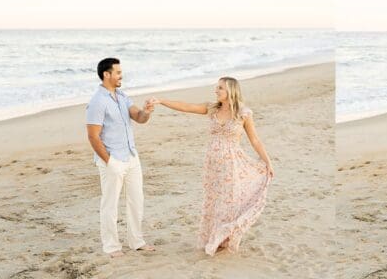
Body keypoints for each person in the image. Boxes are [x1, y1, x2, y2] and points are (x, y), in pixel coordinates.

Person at [148, 76, 273, 255]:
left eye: (220, 88)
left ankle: (224, 237)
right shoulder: (212, 109)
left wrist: (268, 161)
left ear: (230, 90)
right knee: (214, 201)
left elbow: (255, 140)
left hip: (232, 162)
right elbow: (186, 106)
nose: (216, 91)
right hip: (212, 163)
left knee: (229, 200)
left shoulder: (243, 113)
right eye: (217, 87)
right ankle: (214, 235)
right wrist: (161, 101)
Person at [85, 57, 156, 257]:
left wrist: (147, 111)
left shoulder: (122, 96)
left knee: (136, 200)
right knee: (110, 204)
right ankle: (112, 246)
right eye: (117, 72)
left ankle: (137, 241)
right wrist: (109, 161)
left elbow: (139, 118)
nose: (120, 75)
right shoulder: (97, 102)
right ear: (106, 74)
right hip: (112, 160)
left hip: (131, 157)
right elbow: (92, 136)